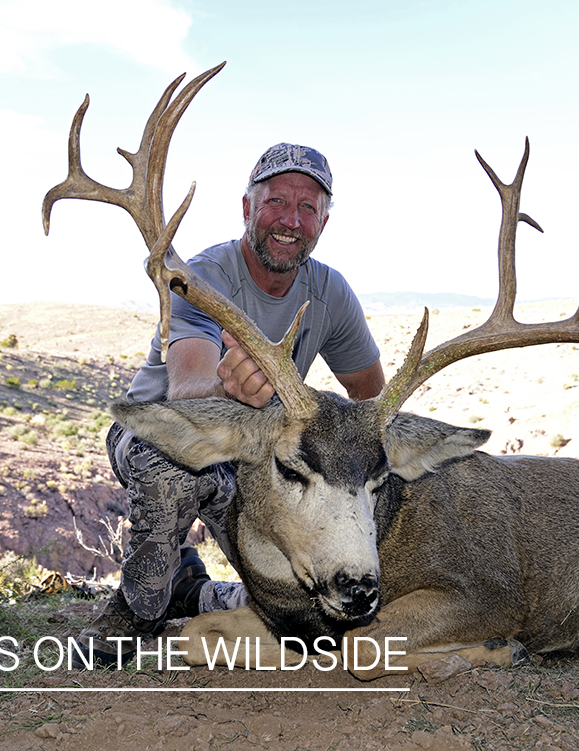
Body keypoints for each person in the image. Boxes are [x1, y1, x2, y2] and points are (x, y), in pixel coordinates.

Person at [74, 143, 386, 667]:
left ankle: (189, 589)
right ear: (247, 209)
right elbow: (187, 391)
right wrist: (229, 390)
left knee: (304, 612)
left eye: (307, 207)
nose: (290, 220)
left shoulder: (329, 292)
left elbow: (371, 400)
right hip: (166, 433)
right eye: (275, 202)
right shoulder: (202, 279)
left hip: (254, 460)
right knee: (172, 465)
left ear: (323, 223)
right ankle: (136, 608)